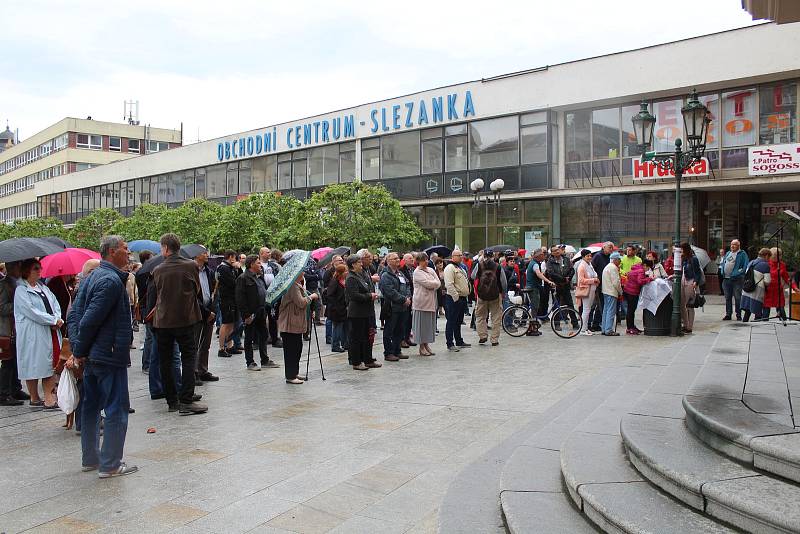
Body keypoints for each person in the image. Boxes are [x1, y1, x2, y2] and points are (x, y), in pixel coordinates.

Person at [66, 235, 137, 478]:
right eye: (125, 249)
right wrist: (79, 351)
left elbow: (74, 317)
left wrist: (80, 350)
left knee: (91, 406)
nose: (128, 253)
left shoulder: (91, 278)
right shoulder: (109, 280)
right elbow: (86, 321)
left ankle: (92, 458)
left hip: (95, 355)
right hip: (107, 355)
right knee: (116, 408)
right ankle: (110, 464)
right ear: (112, 251)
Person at [151, 233, 207, 415]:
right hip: (185, 318)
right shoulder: (190, 266)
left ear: (166, 248)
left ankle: (172, 400)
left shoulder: (158, 269)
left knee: (165, 361)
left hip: (163, 321)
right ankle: (186, 399)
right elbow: (196, 290)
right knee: (189, 357)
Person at [15, 258, 62, 408]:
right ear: (27, 270)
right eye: (36, 268)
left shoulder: (43, 288)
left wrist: (57, 318)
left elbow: (55, 303)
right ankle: (35, 397)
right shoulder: (21, 290)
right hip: (33, 333)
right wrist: (51, 320)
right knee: (33, 365)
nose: (39, 270)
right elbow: (31, 311)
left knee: (49, 365)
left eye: (39, 268)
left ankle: (48, 398)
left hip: (49, 331)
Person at [236, 255, 277, 371]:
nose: (260, 266)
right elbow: (240, 299)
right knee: (249, 338)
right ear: (252, 264)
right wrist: (246, 315)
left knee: (263, 335)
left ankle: (265, 360)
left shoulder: (259, 277)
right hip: (251, 313)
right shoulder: (243, 278)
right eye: (258, 263)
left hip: (261, 311)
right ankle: (250, 362)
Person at [278, 272, 318, 384]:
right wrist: (311, 297)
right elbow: (300, 302)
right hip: (290, 323)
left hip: (295, 322)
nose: (304, 273)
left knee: (297, 348)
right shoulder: (292, 286)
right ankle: (290, 376)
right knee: (291, 350)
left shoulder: (297, 285)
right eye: (302, 271)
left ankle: (294, 372)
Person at [0, 262, 28, 405]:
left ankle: (15, 388)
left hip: (15, 328)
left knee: (16, 359)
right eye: (19, 267)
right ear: (13, 268)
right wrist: (18, 304)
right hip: (7, 329)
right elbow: (2, 307)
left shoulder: (17, 283)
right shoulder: (4, 285)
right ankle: (4, 393)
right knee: (8, 361)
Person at [345, 255, 379, 370]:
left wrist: (371, 294)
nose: (361, 264)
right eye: (359, 262)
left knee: (366, 337)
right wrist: (369, 296)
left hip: (366, 311)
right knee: (356, 338)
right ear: (353, 264)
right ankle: (356, 362)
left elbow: (367, 287)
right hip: (357, 313)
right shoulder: (350, 277)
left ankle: (367, 359)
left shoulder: (360, 275)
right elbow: (353, 295)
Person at [193, 246, 219, 383]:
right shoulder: (191, 271)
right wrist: (206, 311)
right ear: (196, 255)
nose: (207, 255)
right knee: (195, 343)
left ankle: (203, 369)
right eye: (204, 253)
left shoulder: (209, 271)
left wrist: (212, 310)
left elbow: (214, 291)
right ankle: (194, 372)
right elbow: (192, 296)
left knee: (206, 343)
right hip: (197, 311)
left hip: (209, 310)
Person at [379, 252, 412, 362]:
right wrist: (403, 299)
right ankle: (388, 353)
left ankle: (397, 350)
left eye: (398, 258)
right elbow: (389, 292)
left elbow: (407, 285)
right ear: (388, 261)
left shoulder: (400, 273)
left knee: (400, 330)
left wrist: (408, 297)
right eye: (394, 259)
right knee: (389, 330)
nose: (397, 260)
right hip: (392, 307)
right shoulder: (385, 275)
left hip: (403, 307)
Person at [473, 256, 507, 346]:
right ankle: (494, 340)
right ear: (493, 257)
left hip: (482, 295)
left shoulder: (479, 265)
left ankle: (482, 335)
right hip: (495, 295)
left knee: (480, 316)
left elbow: (473, 276)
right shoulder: (498, 267)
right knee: (496, 317)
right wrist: (503, 293)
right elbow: (504, 282)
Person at [411, 252, 440, 357]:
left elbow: (438, 283)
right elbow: (427, 284)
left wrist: (433, 283)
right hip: (421, 302)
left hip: (431, 301)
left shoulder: (431, 270)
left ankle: (427, 344)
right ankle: (421, 346)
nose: (426, 262)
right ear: (419, 261)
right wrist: (433, 283)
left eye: (427, 259)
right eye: (424, 260)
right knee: (421, 325)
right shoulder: (417, 272)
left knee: (428, 325)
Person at [443, 249, 470, 352]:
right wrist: (456, 298)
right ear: (453, 256)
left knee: (458, 321)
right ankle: (450, 343)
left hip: (462, 298)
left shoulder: (459, 267)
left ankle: (459, 340)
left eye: (461, 255)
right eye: (459, 255)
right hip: (454, 298)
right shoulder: (450, 268)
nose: (461, 257)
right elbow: (449, 284)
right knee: (451, 321)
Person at [545, 245, 577, 331]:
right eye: (554, 251)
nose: (557, 251)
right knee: (556, 305)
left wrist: (568, 278)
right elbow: (551, 273)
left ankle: (575, 323)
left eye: (558, 250)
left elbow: (572, 270)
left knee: (570, 304)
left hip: (566, 285)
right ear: (551, 253)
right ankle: (557, 324)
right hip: (557, 285)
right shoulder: (550, 261)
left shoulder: (566, 259)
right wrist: (562, 279)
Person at [525, 248, 555, 336]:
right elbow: (538, 274)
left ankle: (533, 327)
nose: (544, 256)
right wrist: (548, 281)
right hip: (533, 288)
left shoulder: (535, 263)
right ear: (539, 256)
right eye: (543, 254)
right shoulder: (535, 264)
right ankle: (532, 328)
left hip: (534, 287)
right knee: (534, 308)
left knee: (535, 308)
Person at [216, 250, 240, 358]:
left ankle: (230, 346)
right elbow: (234, 282)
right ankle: (221, 348)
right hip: (227, 299)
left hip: (233, 299)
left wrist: (237, 269)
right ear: (231, 257)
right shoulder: (224, 268)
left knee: (232, 323)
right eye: (235, 258)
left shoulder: (229, 268)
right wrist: (236, 269)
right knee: (226, 323)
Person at [719, 239, 748, 321]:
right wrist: (722, 271)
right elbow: (723, 263)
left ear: (738, 246)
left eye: (734, 244)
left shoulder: (742, 254)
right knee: (727, 298)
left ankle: (738, 314)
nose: (732, 246)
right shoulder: (728, 253)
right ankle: (728, 314)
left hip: (737, 280)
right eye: (731, 244)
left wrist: (738, 272)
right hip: (726, 279)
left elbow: (745, 265)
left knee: (737, 297)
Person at [622, 259, 653, 335]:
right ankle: (630, 328)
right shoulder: (641, 270)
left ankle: (632, 326)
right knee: (631, 311)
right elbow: (640, 281)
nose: (647, 270)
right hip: (632, 292)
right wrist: (649, 279)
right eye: (648, 268)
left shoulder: (636, 268)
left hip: (627, 290)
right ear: (645, 265)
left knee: (630, 310)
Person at [741, 248, 772, 322]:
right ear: (766, 255)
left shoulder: (751, 262)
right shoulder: (765, 265)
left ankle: (744, 324)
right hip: (757, 291)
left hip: (747, 289)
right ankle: (757, 327)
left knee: (747, 311)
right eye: (769, 257)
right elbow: (767, 281)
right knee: (757, 312)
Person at [589, 242, 614, 332]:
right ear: (604, 247)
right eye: (609, 247)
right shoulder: (598, 256)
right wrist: (595, 279)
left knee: (602, 305)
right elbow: (592, 269)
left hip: (605, 285)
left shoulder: (609, 258)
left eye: (612, 247)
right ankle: (589, 324)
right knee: (594, 305)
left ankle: (596, 324)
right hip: (597, 284)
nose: (611, 249)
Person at [680, 242, 703, 334]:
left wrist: (695, 282)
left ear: (685, 250)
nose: (680, 252)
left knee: (689, 305)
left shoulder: (694, 259)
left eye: (681, 250)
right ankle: (685, 325)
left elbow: (698, 272)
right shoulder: (683, 259)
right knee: (682, 305)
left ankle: (689, 327)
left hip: (690, 282)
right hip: (683, 281)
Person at [325, 261, 348, 353]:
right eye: (345, 271)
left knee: (343, 327)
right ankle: (335, 345)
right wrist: (337, 307)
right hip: (336, 309)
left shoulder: (342, 281)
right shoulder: (334, 282)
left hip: (343, 308)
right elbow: (330, 296)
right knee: (337, 328)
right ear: (340, 272)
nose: (347, 272)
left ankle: (345, 343)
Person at [575, 249, 599, 336]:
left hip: (592, 289)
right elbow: (581, 280)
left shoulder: (589, 264)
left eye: (590, 255)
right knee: (586, 310)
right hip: (586, 290)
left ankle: (586, 328)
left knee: (588, 310)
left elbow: (594, 273)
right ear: (583, 256)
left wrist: (595, 279)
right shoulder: (581, 266)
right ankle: (582, 329)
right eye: (587, 256)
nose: (590, 257)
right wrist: (593, 280)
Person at [262, 248, 283, 348]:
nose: (269, 254)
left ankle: (275, 338)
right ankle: (261, 339)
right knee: (261, 317)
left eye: (270, 252)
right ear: (261, 254)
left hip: (273, 295)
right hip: (261, 295)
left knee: (273, 317)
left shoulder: (274, 265)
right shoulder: (258, 264)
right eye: (267, 252)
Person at [764, 247, 790, 321]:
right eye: (775, 255)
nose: (777, 257)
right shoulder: (766, 263)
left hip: (778, 290)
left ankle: (783, 323)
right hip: (767, 290)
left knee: (781, 309)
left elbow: (787, 278)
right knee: (766, 310)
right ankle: (764, 324)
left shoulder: (782, 265)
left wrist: (794, 287)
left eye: (779, 255)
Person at [601, 252, 623, 336]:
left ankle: (604, 328)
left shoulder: (608, 266)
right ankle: (609, 329)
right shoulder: (613, 268)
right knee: (611, 311)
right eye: (619, 259)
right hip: (611, 292)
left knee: (606, 310)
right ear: (615, 260)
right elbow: (616, 282)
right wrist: (620, 291)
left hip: (606, 291)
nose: (620, 261)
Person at [400, 252, 416, 348]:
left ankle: (407, 338)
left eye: (412, 258)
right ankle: (402, 339)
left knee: (410, 319)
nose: (412, 259)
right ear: (405, 260)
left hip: (414, 296)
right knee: (404, 319)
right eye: (410, 258)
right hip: (406, 297)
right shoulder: (401, 270)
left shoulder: (414, 270)